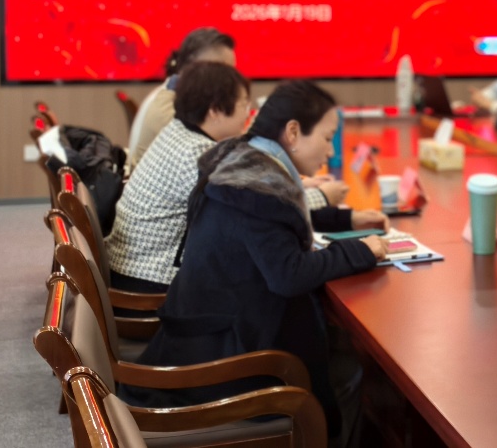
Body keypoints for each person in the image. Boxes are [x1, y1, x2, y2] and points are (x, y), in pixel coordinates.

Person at [129, 81, 387, 445]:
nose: (330, 151)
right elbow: (289, 275)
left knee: (342, 352)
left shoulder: (244, 163)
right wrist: (361, 251)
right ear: (293, 132)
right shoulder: (257, 187)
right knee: (346, 369)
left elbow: (276, 224)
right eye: (327, 138)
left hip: (201, 333)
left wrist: (345, 219)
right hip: (224, 358)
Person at [106, 62, 251, 295]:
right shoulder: (198, 153)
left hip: (129, 268)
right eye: (244, 104)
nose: (248, 114)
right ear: (215, 110)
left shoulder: (176, 130)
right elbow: (244, 210)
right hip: (150, 284)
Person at [126, 27, 236, 170]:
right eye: (222, 71)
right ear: (191, 67)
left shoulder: (178, 95)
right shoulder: (170, 111)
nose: (231, 81)